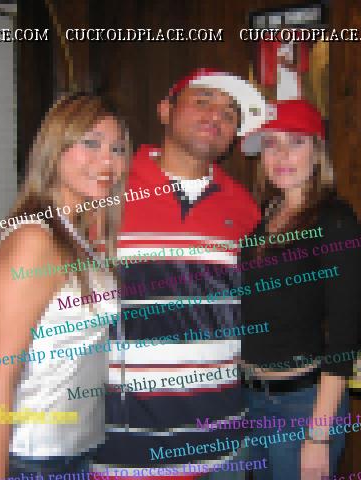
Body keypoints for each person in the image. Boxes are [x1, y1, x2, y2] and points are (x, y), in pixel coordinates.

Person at [90, 69, 266, 479]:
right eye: (202, 101)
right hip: (123, 447)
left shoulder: (244, 209)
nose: (216, 115)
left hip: (221, 443)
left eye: (229, 112)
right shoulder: (106, 189)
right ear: (165, 111)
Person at [0, 93, 130, 479]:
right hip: (33, 457)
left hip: (75, 449)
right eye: (91, 143)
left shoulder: (74, 235)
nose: (108, 160)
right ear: (54, 148)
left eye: (117, 149)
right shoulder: (34, 239)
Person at [239, 100, 361, 480]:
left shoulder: (335, 220)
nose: (281, 155)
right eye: (271, 143)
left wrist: (319, 434)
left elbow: (344, 332)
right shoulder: (260, 217)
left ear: (317, 152)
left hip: (302, 405)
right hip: (249, 398)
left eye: (296, 141)